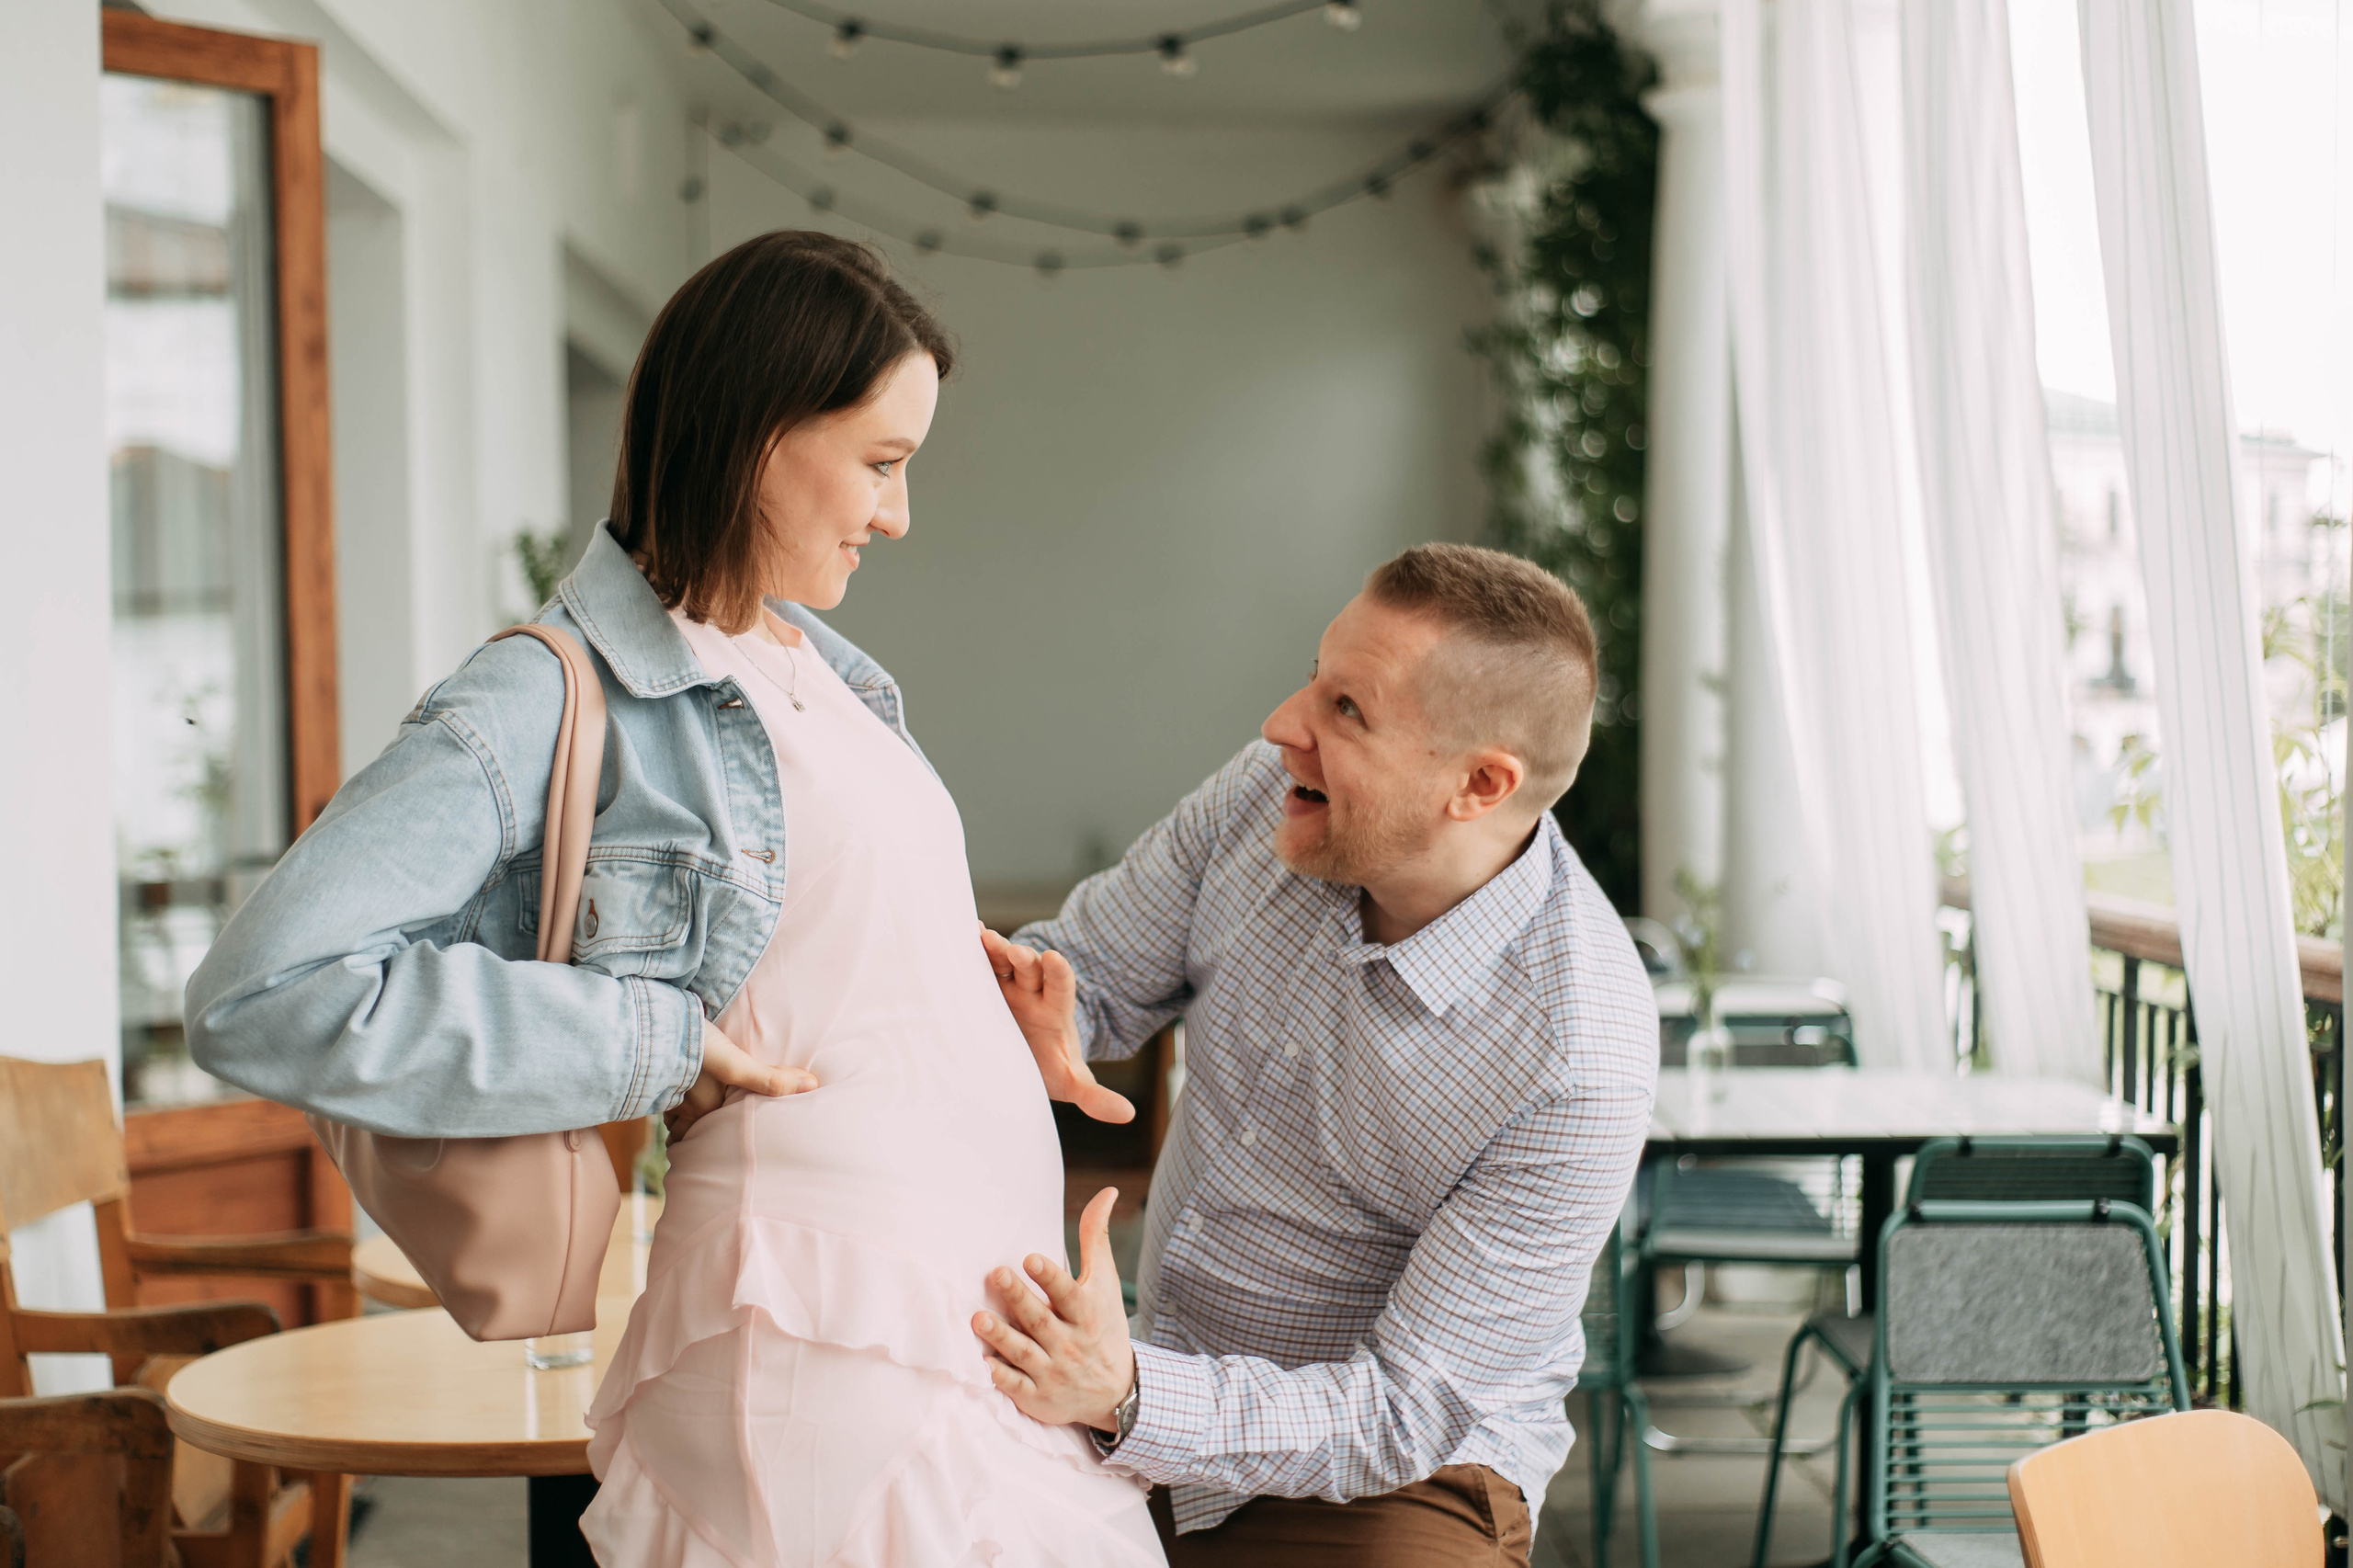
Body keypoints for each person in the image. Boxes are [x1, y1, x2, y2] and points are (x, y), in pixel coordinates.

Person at [186, 232, 1164, 1568]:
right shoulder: (541, 691)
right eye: (882, 463)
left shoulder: (827, 669)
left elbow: (822, 950)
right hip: (816, 1334)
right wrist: (646, 1039)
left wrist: (991, 1011)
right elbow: (261, 990)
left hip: (963, 1330)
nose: (899, 515)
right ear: (761, 436)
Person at [969, 545, 1658, 1566]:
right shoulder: (1269, 795)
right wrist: (1030, 1015)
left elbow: (1401, 1410)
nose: (1281, 725)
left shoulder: (1577, 1054)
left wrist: (1129, 1393)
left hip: (1394, 1481)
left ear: (1479, 783)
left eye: (1347, 710)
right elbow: (1090, 973)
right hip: (1140, 1385)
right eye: (1314, 677)